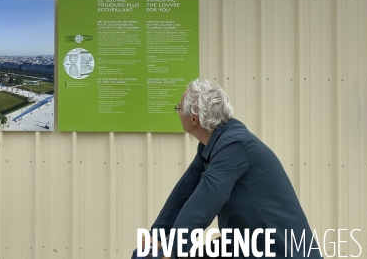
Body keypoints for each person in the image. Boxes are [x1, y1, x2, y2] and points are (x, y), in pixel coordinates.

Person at [134, 78, 322, 258]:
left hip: (281, 251)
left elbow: (205, 201)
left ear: (194, 119)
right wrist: (157, 234)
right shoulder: (212, 146)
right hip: (247, 245)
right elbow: (185, 190)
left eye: (179, 108)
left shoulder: (235, 145)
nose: (178, 112)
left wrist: (172, 248)